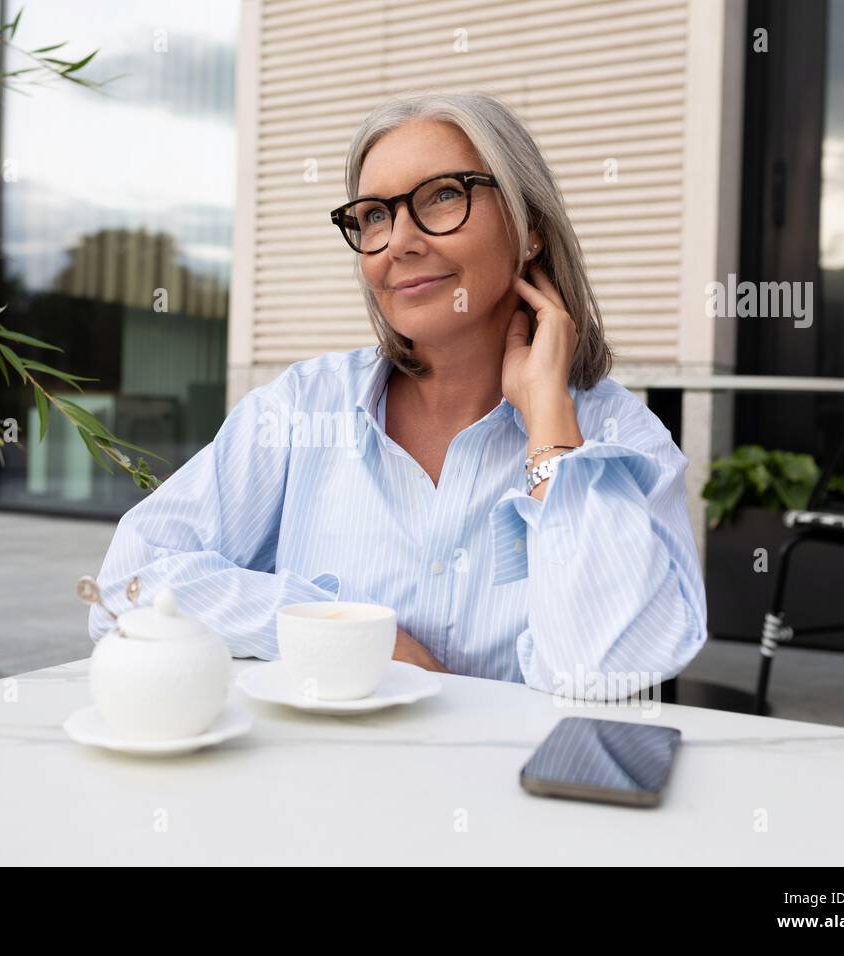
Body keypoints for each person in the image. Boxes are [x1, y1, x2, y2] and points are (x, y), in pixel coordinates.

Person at [89, 90, 707, 697]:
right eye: (375, 215)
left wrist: (549, 422)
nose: (399, 242)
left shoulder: (620, 438)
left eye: (443, 196)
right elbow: (126, 585)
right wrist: (347, 632)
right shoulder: (302, 409)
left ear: (530, 229)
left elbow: (604, 667)